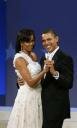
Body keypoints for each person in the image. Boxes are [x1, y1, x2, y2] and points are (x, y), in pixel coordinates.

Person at [7, 28, 49, 128]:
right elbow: (30, 82)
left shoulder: (33, 55)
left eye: (32, 40)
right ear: (21, 42)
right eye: (27, 41)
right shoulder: (19, 59)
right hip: (27, 98)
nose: (31, 44)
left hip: (38, 95)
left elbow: (35, 75)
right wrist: (44, 70)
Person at [40, 28, 74, 128]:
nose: (46, 43)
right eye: (43, 40)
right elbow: (42, 82)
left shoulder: (65, 58)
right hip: (44, 106)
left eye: (49, 39)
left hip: (57, 108)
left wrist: (54, 73)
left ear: (56, 39)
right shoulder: (43, 58)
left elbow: (69, 83)